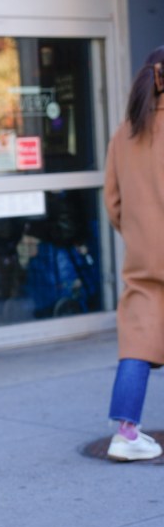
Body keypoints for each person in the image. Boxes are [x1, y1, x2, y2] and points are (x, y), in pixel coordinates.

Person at [104, 47, 164, 461]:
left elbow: (114, 203)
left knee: (137, 346)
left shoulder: (125, 133)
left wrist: (141, 235)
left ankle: (126, 434)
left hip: (145, 257)